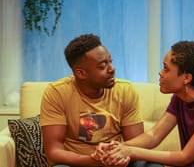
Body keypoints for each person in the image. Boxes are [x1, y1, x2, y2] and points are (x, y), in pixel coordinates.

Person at [40, 34, 162, 167]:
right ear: (81, 73)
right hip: (79, 164)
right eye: (102, 66)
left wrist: (119, 157)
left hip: (117, 161)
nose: (112, 69)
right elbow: (54, 151)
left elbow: (136, 144)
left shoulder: (125, 90)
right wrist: (93, 161)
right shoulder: (57, 93)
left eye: (111, 61)